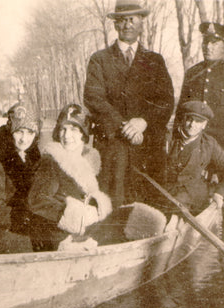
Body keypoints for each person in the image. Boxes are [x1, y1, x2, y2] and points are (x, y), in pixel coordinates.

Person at [83, 0, 174, 209]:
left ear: (141, 23)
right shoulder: (99, 60)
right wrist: (125, 126)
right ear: (115, 25)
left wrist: (143, 121)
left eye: (132, 19)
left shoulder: (155, 61)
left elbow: (166, 101)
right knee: (112, 203)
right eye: (122, 20)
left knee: (149, 204)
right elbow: (93, 98)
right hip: (113, 146)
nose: (127, 25)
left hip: (147, 147)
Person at [176, 22, 224, 222]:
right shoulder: (192, 74)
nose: (208, 46)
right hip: (194, 156)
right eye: (205, 41)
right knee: (192, 208)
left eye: (214, 42)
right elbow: (180, 115)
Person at [27, 104, 112, 251]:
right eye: (63, 129)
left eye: (73, 129)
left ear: (83, 135)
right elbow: (37, 200)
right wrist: (71, 213)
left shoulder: (89, 162)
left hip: (83, 233)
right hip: (58, 238)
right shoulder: (52, 161)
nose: (66, 136)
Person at [0, 102, 42, 253]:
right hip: (1, 229)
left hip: (26, 226)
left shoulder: (36, 158)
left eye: (30, 133)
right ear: (10, 131)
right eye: (19, 132)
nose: (24, 139)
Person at [163, 101, 224, 216]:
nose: (192, 125)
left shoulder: (209, 144)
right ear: (183, 119)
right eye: (189, 119)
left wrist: (219, 193)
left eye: (198, 121)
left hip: (193, 198)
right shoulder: (166, 138)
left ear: (204, 125)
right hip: (164, 195)